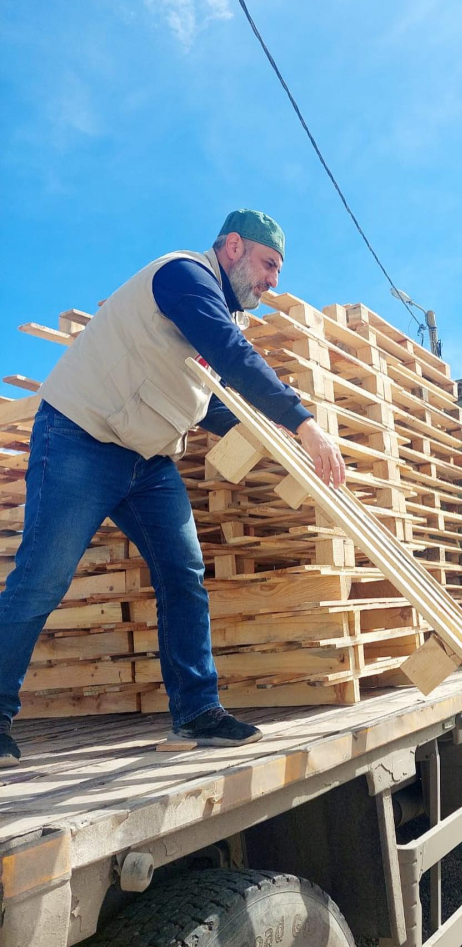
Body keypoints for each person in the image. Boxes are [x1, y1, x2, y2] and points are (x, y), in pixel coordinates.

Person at [0, 209, 346, 766]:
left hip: (147, 457)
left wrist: (273, 438)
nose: (273, 280)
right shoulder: (184, 277)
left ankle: (196, 712)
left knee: (183, 573)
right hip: (81, 436)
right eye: (268, 264)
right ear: (233, 246)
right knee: (43, 576)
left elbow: (203, 400)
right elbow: (235, 361)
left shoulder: (215, 316)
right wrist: (303, 422)